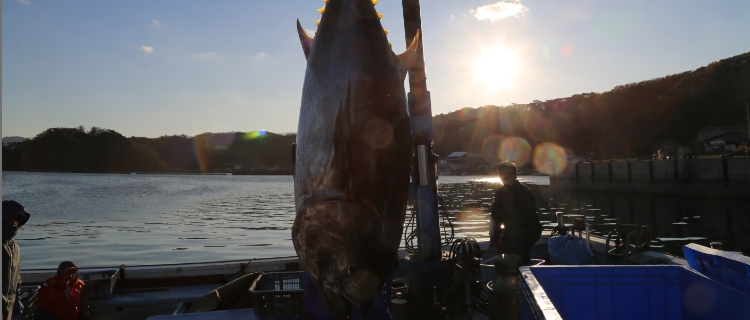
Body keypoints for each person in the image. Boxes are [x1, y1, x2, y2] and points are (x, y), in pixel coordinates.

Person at [489, 162, 543, 265]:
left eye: (510, 174)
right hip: (513, 229)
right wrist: (494, 237)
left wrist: (504, 237)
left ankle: (519, 269)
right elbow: (495, 217)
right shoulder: (500, 193)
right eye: (503, 174)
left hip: (530, 229)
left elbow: (520, 218)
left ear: (515, 176)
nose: (506, 176)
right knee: (507, 239)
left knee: (514, 239)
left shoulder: (524, 192)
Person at [3, 200, 31, 320]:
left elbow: (16, 278)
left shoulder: (15, 248)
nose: (15, 224)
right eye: (12, 220)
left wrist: (16, 299)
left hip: (8, 308)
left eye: (17, 221)